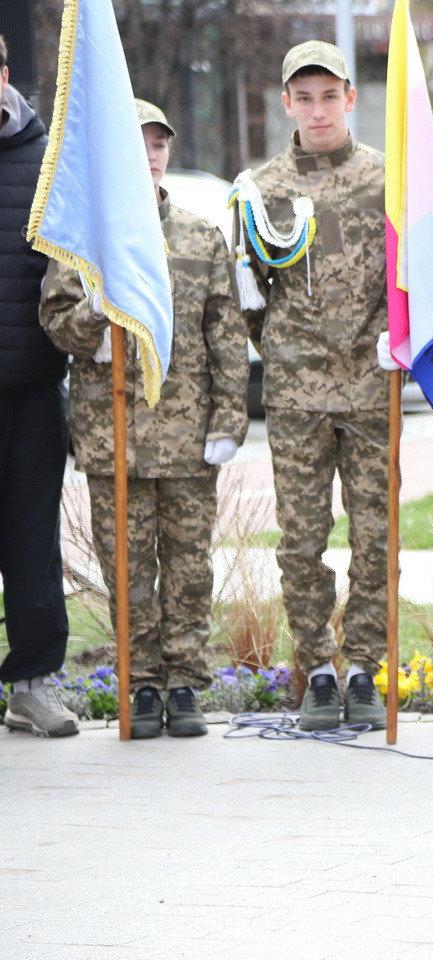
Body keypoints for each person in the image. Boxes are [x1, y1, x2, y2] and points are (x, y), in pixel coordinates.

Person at [40, 100, 249, 738]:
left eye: (159, 144)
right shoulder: (83, 241)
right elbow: (56, 324)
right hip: (116, 440)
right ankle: (142, 683)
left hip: (187, 438)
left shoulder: (199, 236)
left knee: (188, 568)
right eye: (138, 145)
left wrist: (228, 421)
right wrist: (95, 313)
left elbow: (226, 335)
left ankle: (184, 684)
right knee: (127, 571)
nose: (150, 156)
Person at [235, 41, 390, 731]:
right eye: (305, 98)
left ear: (350, 98)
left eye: (330, 96)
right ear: (287, 103)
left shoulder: (388, 179)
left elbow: (409, 277)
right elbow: (250, 296)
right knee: (301, 540)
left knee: (376, 536)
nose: (318, 110)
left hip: (373, 389)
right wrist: (289, 351)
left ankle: (365, 669)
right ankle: (319, 670)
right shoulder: (262, 190)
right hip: (297, 396)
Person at [0, 33, 80, 738]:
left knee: (32, 541)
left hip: (31, 385)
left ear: (4, 74)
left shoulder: (47, 157)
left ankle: (31, 685)